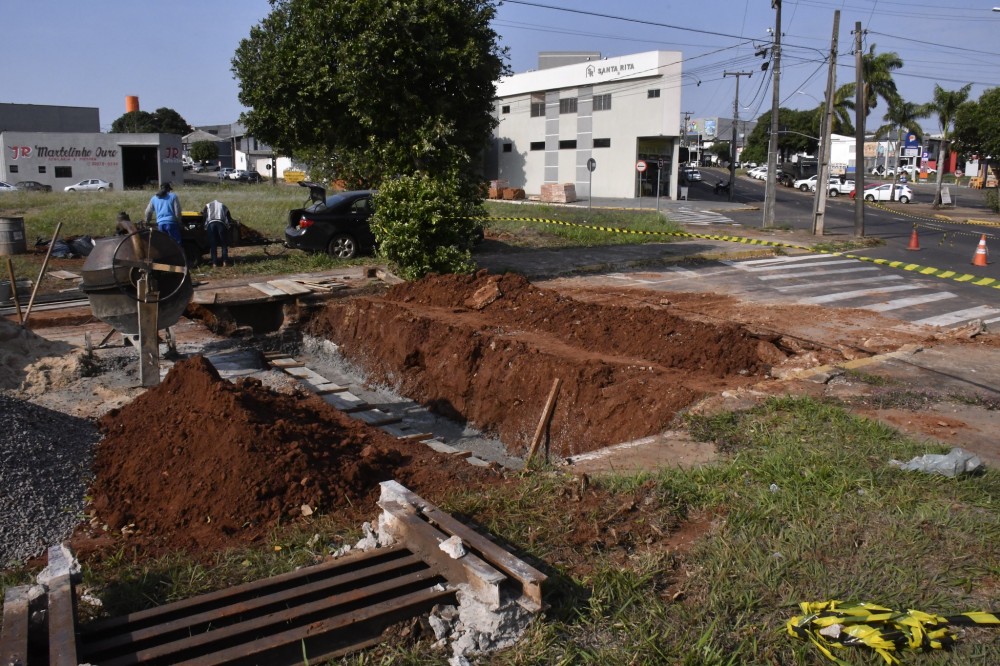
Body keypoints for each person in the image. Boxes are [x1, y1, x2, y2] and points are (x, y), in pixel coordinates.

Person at [201, 199, 233, 267]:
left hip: (211, 225)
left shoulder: (207, 205)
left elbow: (204, 216)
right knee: (224, 244)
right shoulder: (223, 206)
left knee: (213, 245)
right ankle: (225, 262)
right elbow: (229, 218)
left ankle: (214, 263)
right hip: (221, 224)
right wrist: (228, 226)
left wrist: (204, 226)